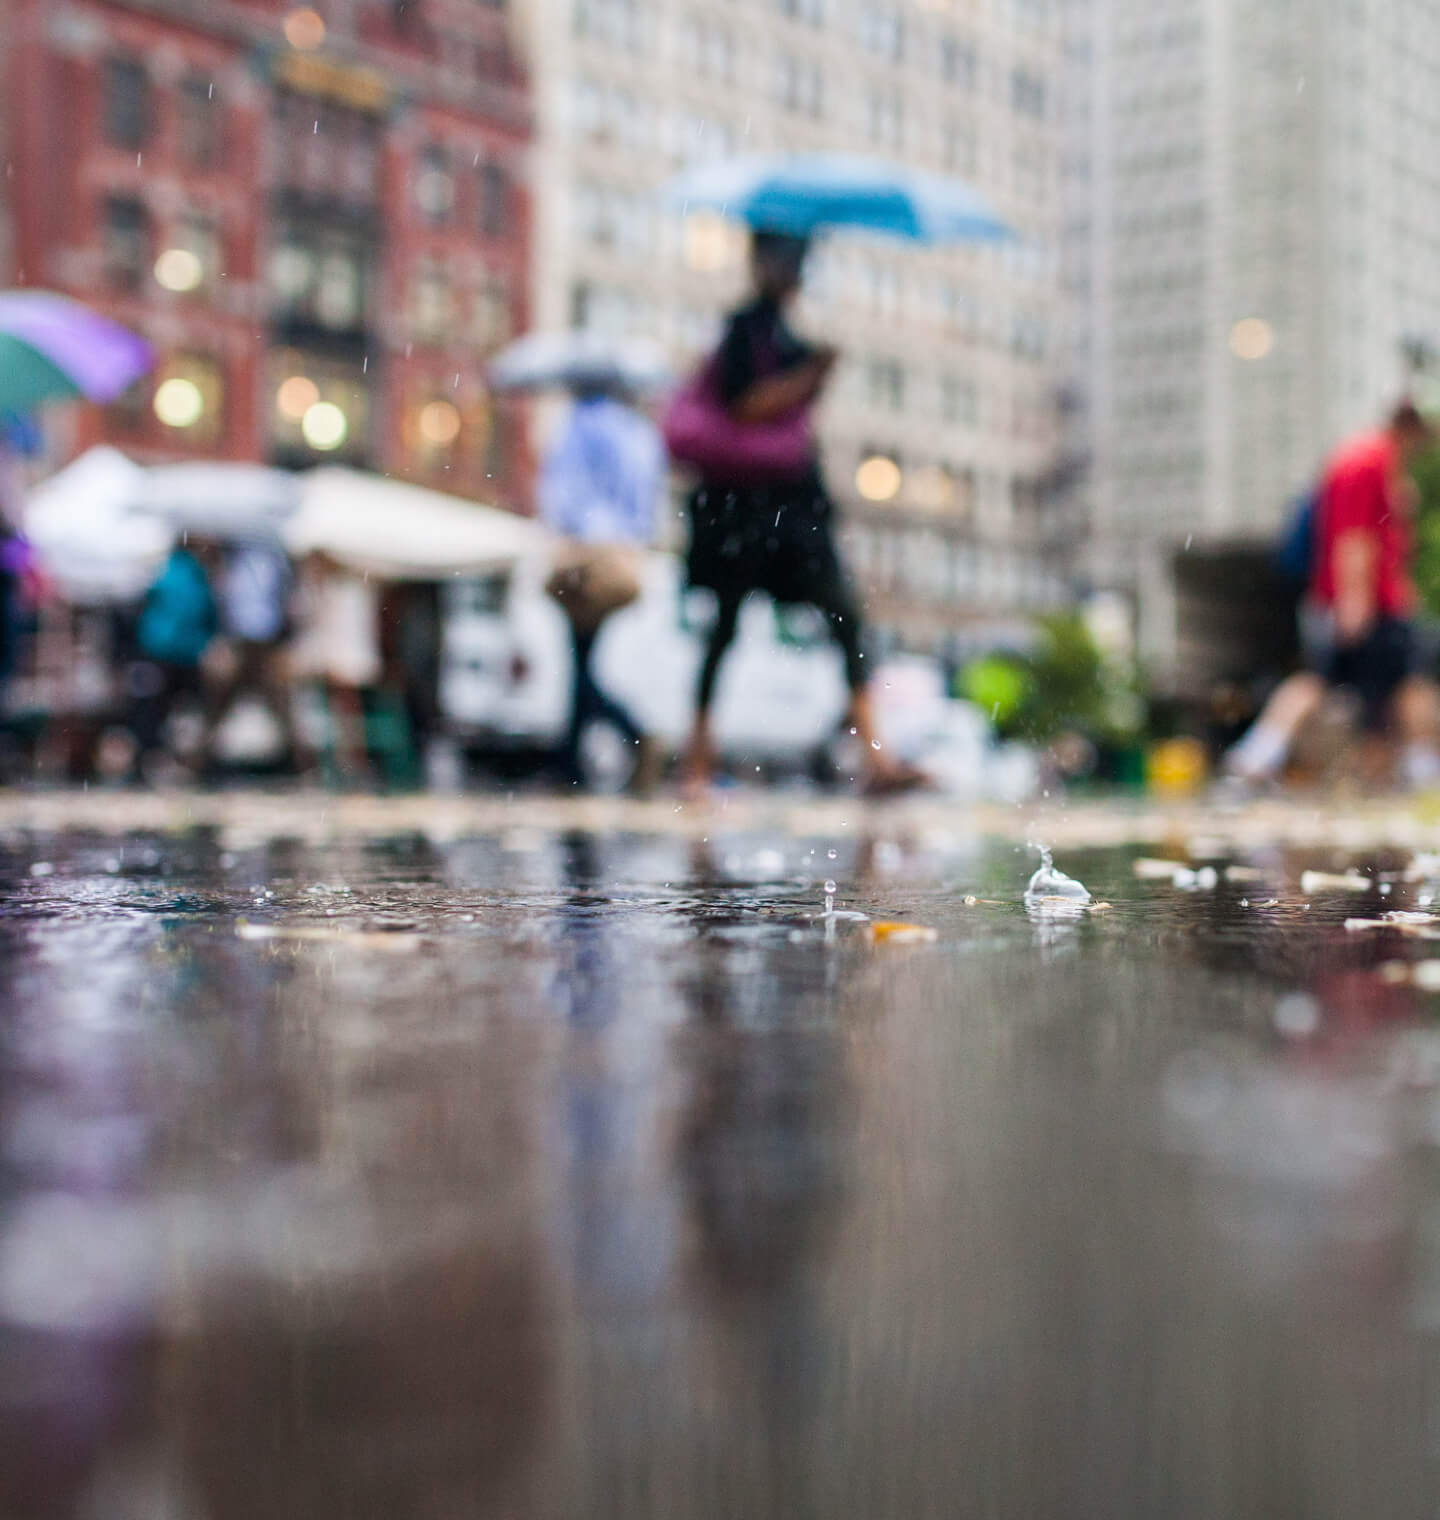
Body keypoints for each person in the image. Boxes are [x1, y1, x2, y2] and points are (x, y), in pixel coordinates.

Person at [679, 231, 922, 795]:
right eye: (783, 261)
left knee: (844, 617)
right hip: (746, 510)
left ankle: (875, 757)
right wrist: (811, 374)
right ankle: (696, 759)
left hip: (790, 510)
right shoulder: (743, 329)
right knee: (725, 630)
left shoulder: (786, 335)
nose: (791, 273)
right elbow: (745, 406)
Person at [1225, 399, 1439, 787]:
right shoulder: (1370, 459)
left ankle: (1255, 755)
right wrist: (1354, 602)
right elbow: (1354, 536)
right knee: (1409, 683)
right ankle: (1425, 771)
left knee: (1325, 681)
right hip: (1365, 604)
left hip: (1349, 600)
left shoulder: (1361, 457)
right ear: (1413, 429)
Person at [538, 381, 663, 791]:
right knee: (583, 662)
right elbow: (643, 500)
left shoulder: (581, 423)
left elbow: (564, 492)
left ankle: (629, 733)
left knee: (580, 663)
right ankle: (571, 759)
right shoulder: (639, 433)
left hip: (584, 555)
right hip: (621, 555)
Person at [289, 553, 382, 784]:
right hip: (327, 661)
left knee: (345, 702)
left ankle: (350, 764)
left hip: (347, 662)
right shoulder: (317, 591)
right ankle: (313, 763)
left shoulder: (350, 591)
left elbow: (351, 640)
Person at [130, 538, 219, 780]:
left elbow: (142, 606)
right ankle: (186, 761)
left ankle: (150, 760)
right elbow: (210, 614)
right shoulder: (197, 576)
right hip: (185, 653)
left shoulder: (163, 571)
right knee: (185, 709)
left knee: (153, 710)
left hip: (158, 650)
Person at [209, 542, 295, 767]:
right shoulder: (232, 552)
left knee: (277, 698)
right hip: (240, 634)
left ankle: (296, 761)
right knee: (222, 697)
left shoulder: (274, 553)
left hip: (266, 636)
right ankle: (205, 759)